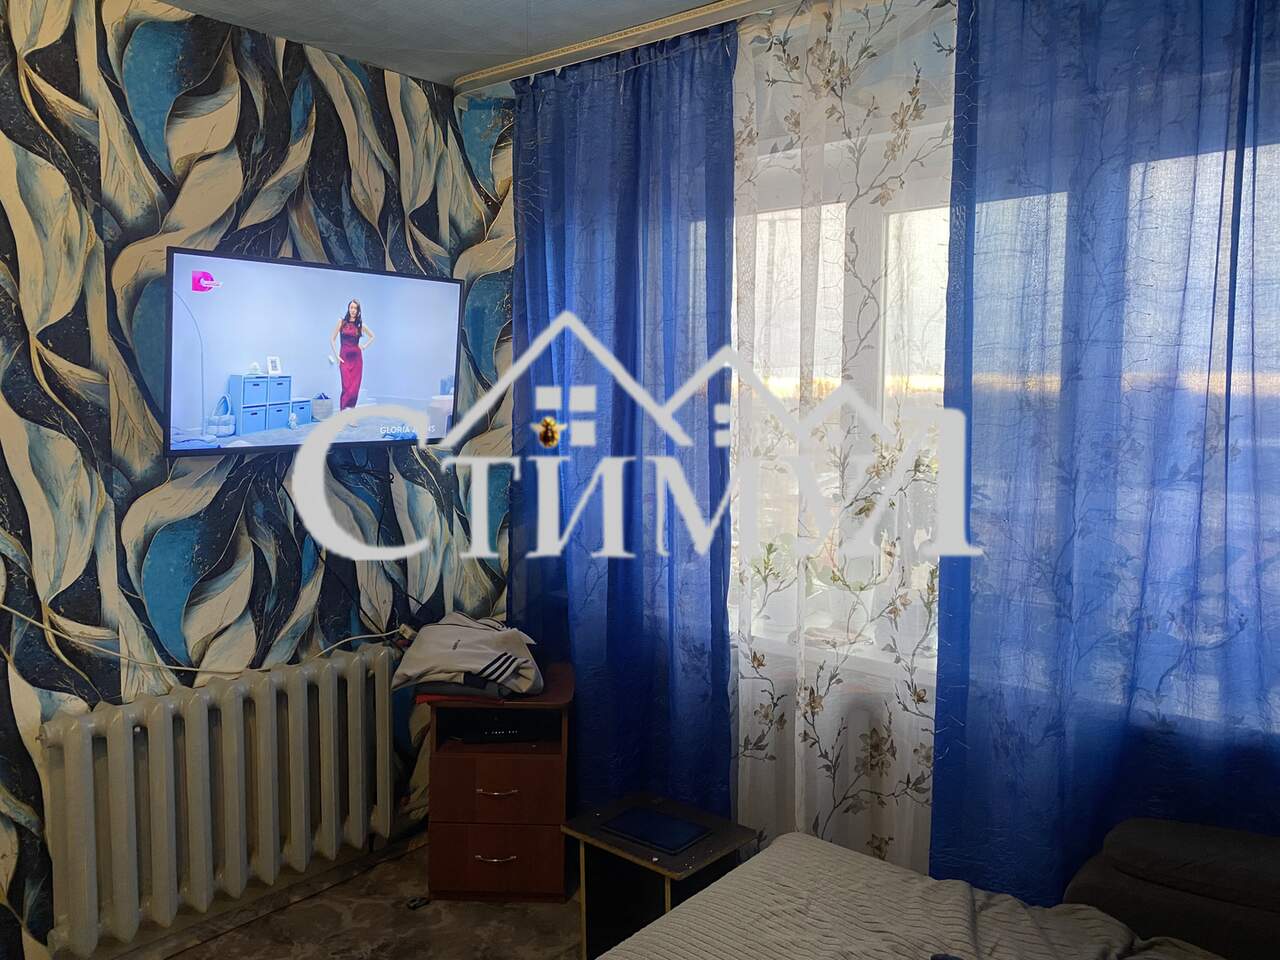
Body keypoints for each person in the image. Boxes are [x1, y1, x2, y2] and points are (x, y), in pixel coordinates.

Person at [330, 299, 375, 410]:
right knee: (346, 387)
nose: (353, 310)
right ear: (348, 308)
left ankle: (351, 413)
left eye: (356, 308)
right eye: (351, 307)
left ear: (358, 311)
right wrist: (336, 356)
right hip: (344, 358)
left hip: (357, 360)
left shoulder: (360, 325)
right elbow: (332, 339)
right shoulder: (341, 322)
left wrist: (364, 346)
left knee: (354, 389)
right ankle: (342, 413)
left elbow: (372, 336)